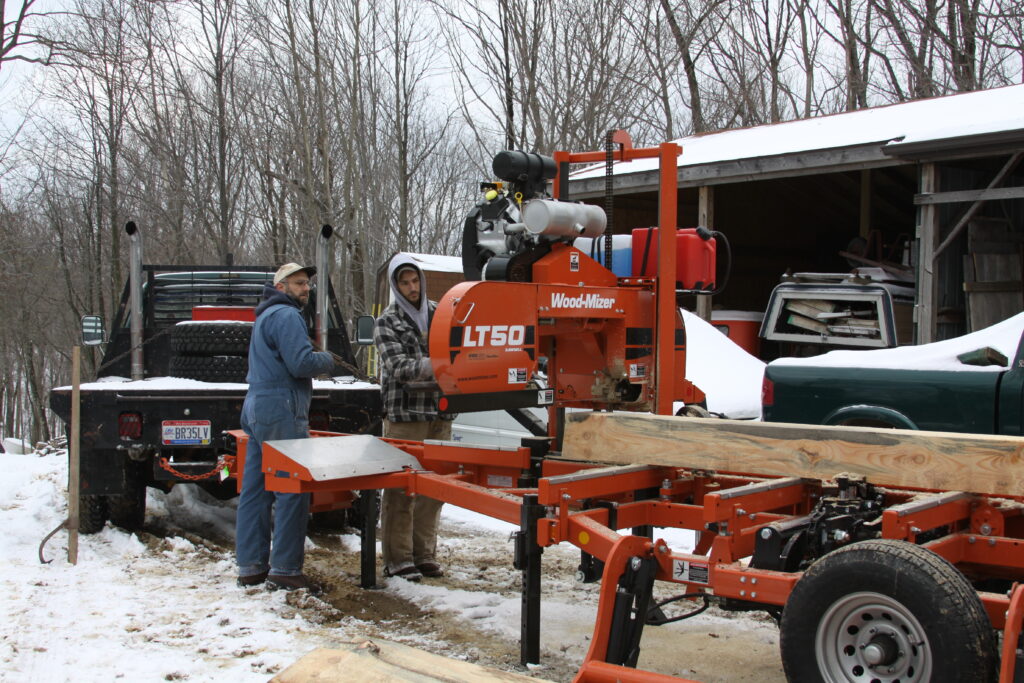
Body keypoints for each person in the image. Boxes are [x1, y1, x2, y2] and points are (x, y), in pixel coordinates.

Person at [236, 262, 334, 591]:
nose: (306, 289)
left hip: (256, 406)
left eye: (307, 283)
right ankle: (286, 570)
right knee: (292, 491)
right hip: (282, 407)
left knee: (255, 491)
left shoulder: (263, 316)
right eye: (298, 283)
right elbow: (301, 363)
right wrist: (327, 359)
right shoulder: (288, 315)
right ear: (281, 287)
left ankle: (251, 567)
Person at [373, 254, 455, 581]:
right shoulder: (386, 322)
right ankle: (397, 558)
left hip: (441, 412)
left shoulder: (441, 313)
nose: (411, 287)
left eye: (415, 280)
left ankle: (424, 554)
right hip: (405, 414)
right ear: (396, 285)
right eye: (404, 282)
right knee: (400, 490)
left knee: (434, 490)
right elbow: (400, 368)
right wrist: (442, 364)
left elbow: (461, 352)